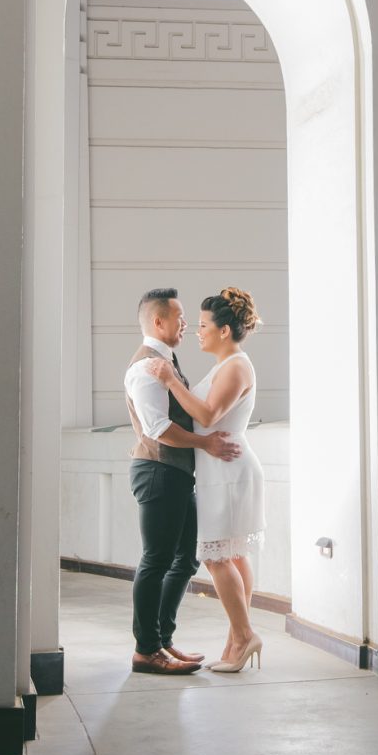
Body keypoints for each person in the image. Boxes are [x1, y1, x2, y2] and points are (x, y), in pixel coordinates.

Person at [122, 288, 243, 676]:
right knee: (156, 559)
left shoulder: (166, 362)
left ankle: (162, 639)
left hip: (175, 473)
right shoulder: (146, 367)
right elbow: (158, 429)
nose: (186, 323)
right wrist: (205, 443)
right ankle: (146, 651)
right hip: (157, 471)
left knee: (186, 557)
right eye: (179, 316)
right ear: (159, 322)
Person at [148, 286, 266, 673]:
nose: (196, 331)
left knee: (216, 557)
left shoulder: (235, 366)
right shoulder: (227, 364)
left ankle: (245, 635)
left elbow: (209, 413)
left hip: (229, 471)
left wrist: (169, 379)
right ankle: (237, 638)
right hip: (220, 469)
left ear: (225, 331)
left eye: (202, 325)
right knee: (230, 554)